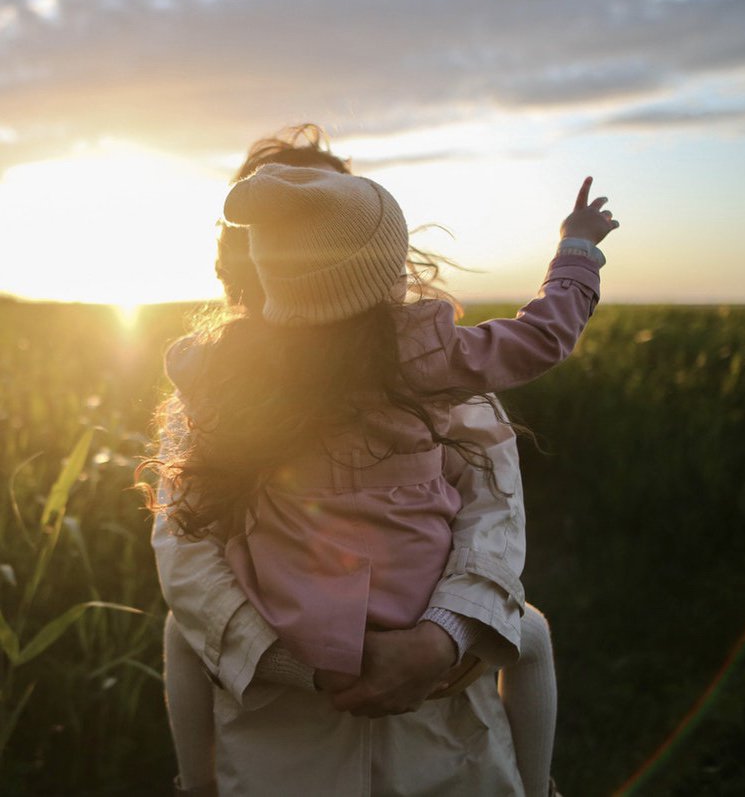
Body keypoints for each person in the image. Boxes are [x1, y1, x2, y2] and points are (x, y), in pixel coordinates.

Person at [147, 126, 616, 795]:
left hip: (440, 725)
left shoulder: (224, 373)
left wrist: (440, 639)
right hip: (279, 728)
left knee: (179, 637)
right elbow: (187, 551)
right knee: (530, 631)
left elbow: (492, 511)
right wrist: (576, 252)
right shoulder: (430, 359)